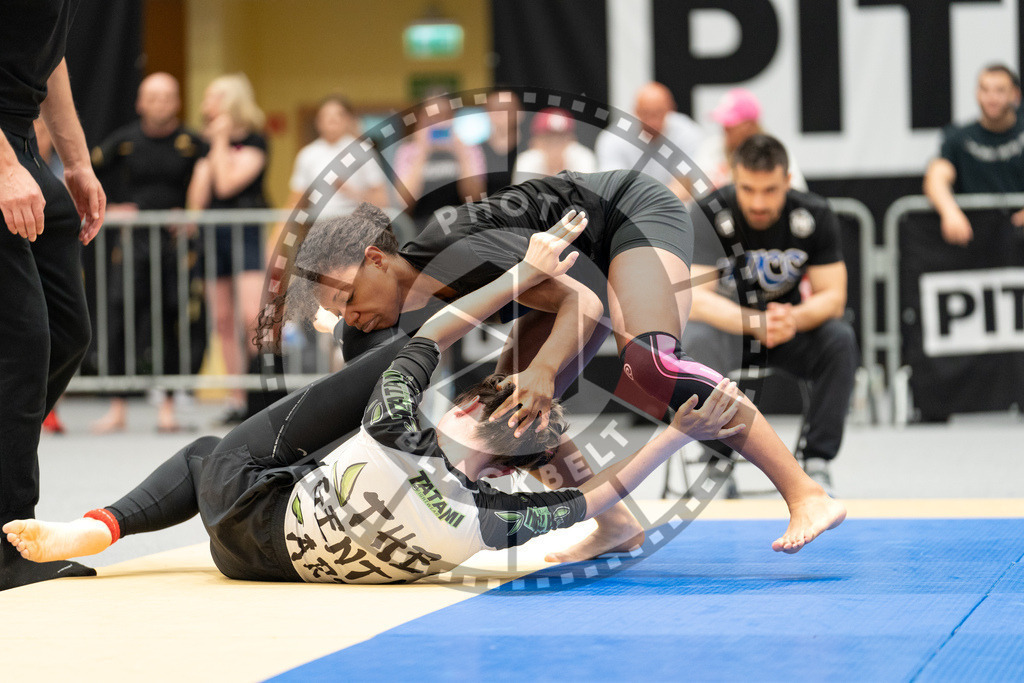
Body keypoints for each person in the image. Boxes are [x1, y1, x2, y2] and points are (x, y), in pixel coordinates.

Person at [3, 216, 754, 584]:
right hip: (267, 553)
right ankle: (102, 525)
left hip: (250, 522)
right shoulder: (480, 525)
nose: (344, 314)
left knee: (211, 454)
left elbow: (453, 331)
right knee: (439, 379)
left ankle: (103, 524)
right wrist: (676, 434)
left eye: (343, 297)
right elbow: (587, 498)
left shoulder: (399, 418)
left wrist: (525, 295)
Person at [276, 170, 845, 561]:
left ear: (377, 259)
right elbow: (353, 412)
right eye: (338, 312)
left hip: (628, 215)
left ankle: (805, 493)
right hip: (575, 276)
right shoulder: (368, 323)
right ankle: (616, 525)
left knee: (651, 366)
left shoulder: (461, 252)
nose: (353, 316)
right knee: (506, 411)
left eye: (350, 298)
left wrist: (545, 372)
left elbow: (583, 301)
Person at [0, 0, 107, 590]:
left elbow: (52, 55)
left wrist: (77, 162)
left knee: (67, 334)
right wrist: (4, 168)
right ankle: (8, 541)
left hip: (21, 138)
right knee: (20, 345)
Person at [684, 134, 858, 493]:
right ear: (733, 178)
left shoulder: (813, 213)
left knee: (839, 340)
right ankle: (716, 461)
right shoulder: (708, 213)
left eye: (770, 190)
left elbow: (833, 297)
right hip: (729, 330)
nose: (758, 202)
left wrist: (793, 319)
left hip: (786, 327)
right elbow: (695, 299)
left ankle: (817, 459)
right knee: (695, 341)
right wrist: (753, 322)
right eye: (748, 189)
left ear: (788, 181)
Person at [89, 73, 208, 433]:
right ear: (140, 103)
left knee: (172, 320)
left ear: (177, 102)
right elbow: (85, 172)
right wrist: (111, 209)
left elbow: (213, 180)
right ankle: (117, 407)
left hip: (175, 247)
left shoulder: (192, 143)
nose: (160, 104)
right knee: (120, 320)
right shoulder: (123, 140)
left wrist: (192, 213)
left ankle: (167, 408)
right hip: (132, 245)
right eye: (152, 97)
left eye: (167, 97)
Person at [187, 74, 271, 424]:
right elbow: (199, 197)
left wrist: (220, 141)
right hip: (212, 237)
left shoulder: (255, 140)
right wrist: (212, 151)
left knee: (251, 317)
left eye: (213, 97)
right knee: (222, 320)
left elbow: (225, 184)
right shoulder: (202, 144)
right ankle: (237, 399)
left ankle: (261, 396)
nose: (206, 104)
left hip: (245, 234)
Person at [923, 63, 1024, 246]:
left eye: (1000, 90)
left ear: (1015, 95)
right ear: (977, 93)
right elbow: (936, 176)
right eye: (985, 90)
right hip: (976, 242)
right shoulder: (959, 137)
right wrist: (949, 211)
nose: (991, 98)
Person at [393, 93, 486, 232]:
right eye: (432, 118)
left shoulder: (470, 150)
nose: (439, 123)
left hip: (461, 229)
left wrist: (461, 153)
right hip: (419, 230)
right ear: (421, 118)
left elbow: (475, 198)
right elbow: (403, 204)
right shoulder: (407, 151)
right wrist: (422, 152)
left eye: (445, 116)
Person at [595, 82, 704, 198]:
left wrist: (656, 203)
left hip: (673, 205)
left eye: (659, 113)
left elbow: (686, 184)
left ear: (670, 109)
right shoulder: (613, 139)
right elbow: (614, 186)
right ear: (636, 111)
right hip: (632, 206)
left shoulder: (687, 133)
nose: (652, 122)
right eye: (645, 113)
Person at [286, 94, 388, 218]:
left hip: (356, 224)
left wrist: (355, 194)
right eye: (326, 115)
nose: (332, 120)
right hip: (320, 225)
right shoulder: (308, 154)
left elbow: (382, 199)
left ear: (348, 119)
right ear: (318, 121)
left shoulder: (363, 151)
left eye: (338, 115)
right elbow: (295, 200)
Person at [693, 88, 808, 192]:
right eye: (723, 122)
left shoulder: (777, 153)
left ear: (749, 125)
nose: (724, 128)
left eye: (730, 123)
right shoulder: (712, 148)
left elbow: (796, 195)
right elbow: (691, 187)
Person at [512, 108, 596, 184]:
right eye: (548, 138)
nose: (555, 145)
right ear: (535, 142)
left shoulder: (583, 158)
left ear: (572, 140)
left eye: (561, 138)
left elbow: (589, 195)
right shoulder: (527, 161)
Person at [480, 89, 521, 196]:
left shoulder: (531, 147)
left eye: (507, 110)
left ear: (519, 113)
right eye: (495, 110)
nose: (501, 115)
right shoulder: (476, 151)